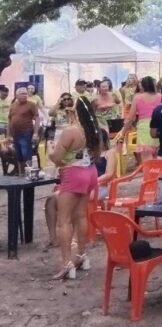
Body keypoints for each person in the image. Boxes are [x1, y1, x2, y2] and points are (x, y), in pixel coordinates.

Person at [48, 97, 101, 280]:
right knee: (81, 215)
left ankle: (66, 263)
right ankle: (82, 255)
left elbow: (56, 157)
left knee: (63, 220)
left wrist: (51, 151)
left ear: (76, 112)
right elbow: (98, 154)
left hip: (73, 174)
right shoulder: (95, 129)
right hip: (90, 172)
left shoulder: (71, 131)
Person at [45, 128, 116, 250]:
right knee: (50, 200)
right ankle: (53, 238)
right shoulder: (87, 153)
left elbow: (109, 174)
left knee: (75, 205)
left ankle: (75, 238)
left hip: (99, 186)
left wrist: (94, 181)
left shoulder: (109, 153)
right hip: (80, 184)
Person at [122, 76, 162, 162]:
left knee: (146, 158)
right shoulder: (160, 96)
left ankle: (149, 171)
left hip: (144, 128)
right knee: (158, 157)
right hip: (159, 126)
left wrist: (123, 131)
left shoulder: (137, 97)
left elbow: (131, 118)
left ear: (142, 86)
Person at [8, 87, 40, 174]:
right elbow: (10, 120)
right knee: (18, 155)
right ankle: (21, 173)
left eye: (26, 93)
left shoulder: (31, 104)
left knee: (26, 154)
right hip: (15, 133)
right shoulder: (13, 105)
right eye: (22, 93)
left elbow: (37, 118)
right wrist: (9, 135)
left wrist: (35, 133)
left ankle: (29, 173)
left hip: (26, 132)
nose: (25, 95)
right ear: (16, 95)